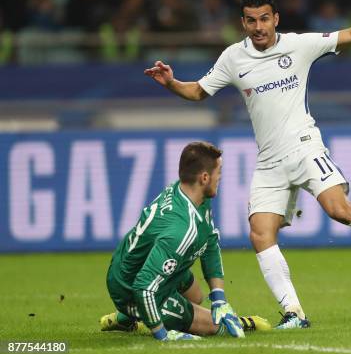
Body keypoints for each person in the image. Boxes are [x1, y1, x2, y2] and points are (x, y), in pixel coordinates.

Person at [144, 0, 351, 330]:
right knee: (260, 233)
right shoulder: (233, 57)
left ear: (276, 19)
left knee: (339, 211)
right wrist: (170, 83)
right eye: (251, 20)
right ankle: (294, 314)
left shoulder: (299, 45)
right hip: (269, 162)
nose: (258, 27)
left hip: (305, 148)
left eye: (264, 19)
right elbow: (198, 91)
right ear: (243, 23)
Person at [100, 141, 270, 340]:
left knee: (196, 297)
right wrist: (163, 335)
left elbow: (210, 242)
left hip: (140, 263)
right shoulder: (180, 231)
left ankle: (127, 318)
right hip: (128, 287)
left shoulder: (194, 196)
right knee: (211, 326)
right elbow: (143, 287)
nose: (221, 177)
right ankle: (132, 312)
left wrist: (218, 298)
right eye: (219, 171)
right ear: (205, 178)